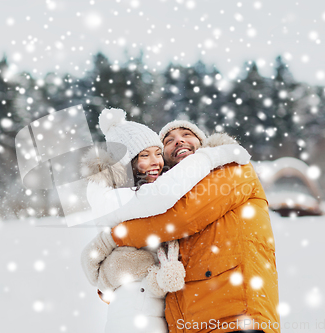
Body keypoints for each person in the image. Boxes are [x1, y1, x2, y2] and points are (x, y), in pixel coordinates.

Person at [80, 109, 251, 333]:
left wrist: (152, 278)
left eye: (157, 153)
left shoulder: (223, 178)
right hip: (143, 310)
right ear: (127, 164)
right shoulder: (122, 195)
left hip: (213, 307)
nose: (155, 162)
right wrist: (212, 156)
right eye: (144, 155)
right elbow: (170, 207)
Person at [110, 120, 281, 333]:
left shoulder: (232, 168)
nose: (178, 140)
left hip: (237, 316)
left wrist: (115, 236)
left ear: (202, 143)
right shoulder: (166, 198)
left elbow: (182, 218)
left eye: (186, 134)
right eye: (169, 141)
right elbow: (147, 259)